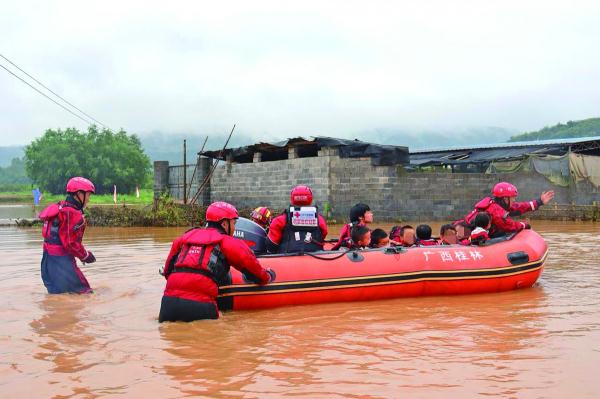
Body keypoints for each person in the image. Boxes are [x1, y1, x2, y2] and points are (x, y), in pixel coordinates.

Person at [159, 201, 274, 322]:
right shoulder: (228, 243)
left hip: (168, 304)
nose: (234, 228)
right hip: (201, 306)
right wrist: (267, 277)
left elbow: (167, 272)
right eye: (234, 223)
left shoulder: (183, 238)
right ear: (225, 224)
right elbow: (253, 269)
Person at [38, 177, 96, 294]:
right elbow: (70, 243)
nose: (89, 199)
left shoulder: (61, 207)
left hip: (47, 262)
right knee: (86, 294)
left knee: (57, 297)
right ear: (79, 194)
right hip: (62, 264)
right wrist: (86, 256)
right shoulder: (72, 213)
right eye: (88, 195)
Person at [459, 182, 554, 237]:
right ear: (505, 199)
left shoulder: (496, 204)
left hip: (464, 229)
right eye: (513, 198)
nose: (514, 200)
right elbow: (510, 226)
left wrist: (539, 202)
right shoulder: (496, 211)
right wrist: (525, 225)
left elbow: (518, 207)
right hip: (465, 233)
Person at [267, 185, 328, 253]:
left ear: (292, 198)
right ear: (310, 199)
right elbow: (323, 235)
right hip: (316, 259)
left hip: (286, 259)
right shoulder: (320, 220)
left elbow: (272, 244)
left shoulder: (279, 220)